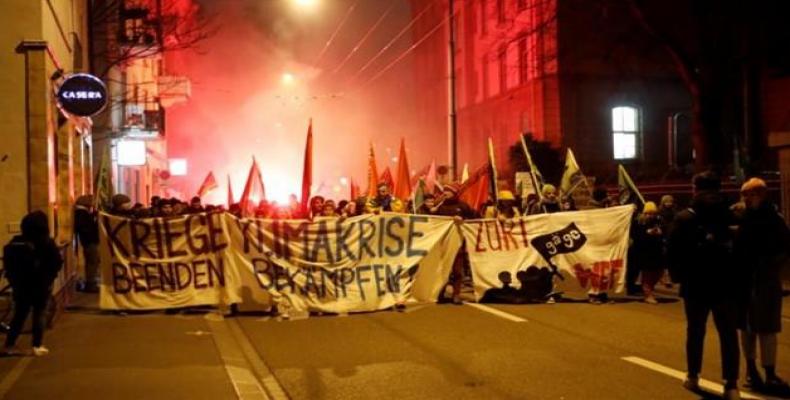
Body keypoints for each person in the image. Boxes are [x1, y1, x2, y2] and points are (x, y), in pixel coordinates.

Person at [668, 171, 741, 399]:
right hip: (725, 282)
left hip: (695, 283)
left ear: (695, 188)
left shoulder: (684, 217)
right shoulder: (732, 216)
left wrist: (677, 276)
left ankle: (693, 376)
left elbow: (672, 251)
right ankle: (731, 385)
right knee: (728, 334)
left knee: (696, 331)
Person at [734, 178, 789, 390]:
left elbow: (785, 248)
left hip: (765, 281)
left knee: (767, 329)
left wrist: (771, 267)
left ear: (762, 195)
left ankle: (770, 371)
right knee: (746, 328)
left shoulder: (775, 220)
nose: (746, 199)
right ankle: (750, 369)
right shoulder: (740, 217)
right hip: (745, 282)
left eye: (750, 194)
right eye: (744, 194)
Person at [2, 211, 63, 356]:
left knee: (19, 315)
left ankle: (9, 344)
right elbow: (56, 262)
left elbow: (9, 266)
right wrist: (49, 277)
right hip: (41, 285)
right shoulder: (46, 243)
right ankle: (37, 344)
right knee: (39, 314)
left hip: (21, 286)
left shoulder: (15, 243)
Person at [433, 183, 476, 305]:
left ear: (454, 193)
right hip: (443, 243)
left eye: (448, 191)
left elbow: (474, 219)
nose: (445, 193)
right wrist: (432, 212)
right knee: (442, 270)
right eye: (444, 191)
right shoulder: (440, 207)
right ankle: (440, 292)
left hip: (458, 244)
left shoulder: (463, 206)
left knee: (457, 270)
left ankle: (456, 294)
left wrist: (463, 219)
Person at [631, 201, 665, 304]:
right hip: (645, 252)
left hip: (657, 251)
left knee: (658, 272)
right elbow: (635, 236)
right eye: (648, 213)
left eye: (652, 213)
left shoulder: (659, 221)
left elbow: (665, 231)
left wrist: (660, 232)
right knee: (647, 274)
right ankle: (648, 294)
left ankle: (648, 289)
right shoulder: (639, 222)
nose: (650, 215)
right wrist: (647, 233)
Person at [74, 195, 99, 292]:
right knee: (92, 262)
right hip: (89, 241)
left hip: (88, 241)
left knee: (93, 262)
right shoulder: (81, 214)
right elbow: (86, 227)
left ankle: (91, 282)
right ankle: (90, 284)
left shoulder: (83, 213)